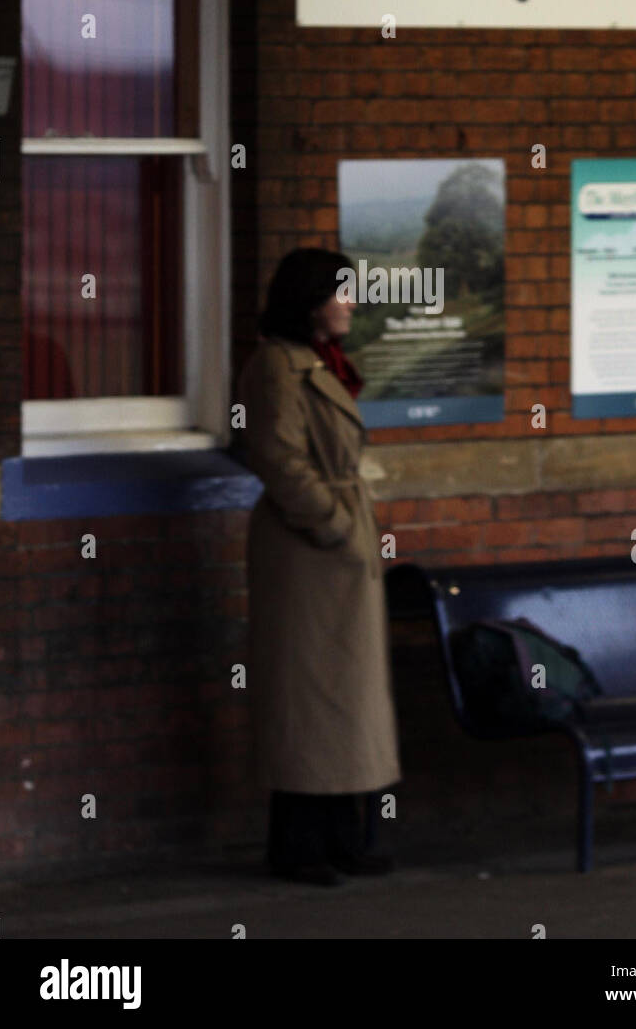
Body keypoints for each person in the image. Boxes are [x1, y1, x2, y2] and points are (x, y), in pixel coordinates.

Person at [238, 247, 402, 887]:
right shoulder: (276, 367)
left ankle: (344, 838)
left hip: (336, 548)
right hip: (306, 553)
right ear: (311, 299)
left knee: (346, 700)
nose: (353, 303)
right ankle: (298, 846)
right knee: (307, 700)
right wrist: (334, 524)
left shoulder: (318, 362)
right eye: (342, 292)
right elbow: (279, 461)